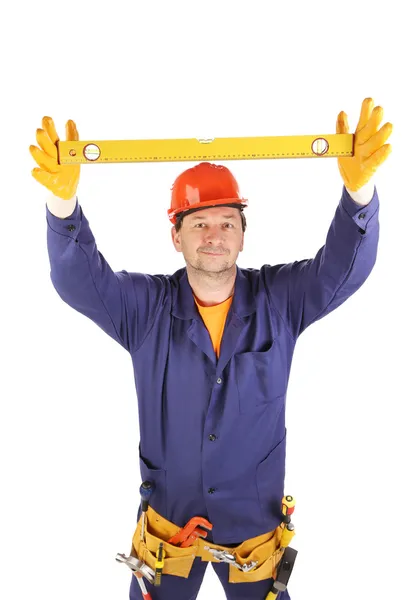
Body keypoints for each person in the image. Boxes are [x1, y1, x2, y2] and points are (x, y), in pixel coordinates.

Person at [29, 98, 392, 600]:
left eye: (226, 222)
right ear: (175, 236)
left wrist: (358, 193)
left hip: (253, 526)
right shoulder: (146, 308)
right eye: (198, 223)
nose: (214, 235)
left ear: (244, 234)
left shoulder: (280, 301)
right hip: (168, 528)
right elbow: (79, 282)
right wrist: (63, 208)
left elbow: (343, 270)